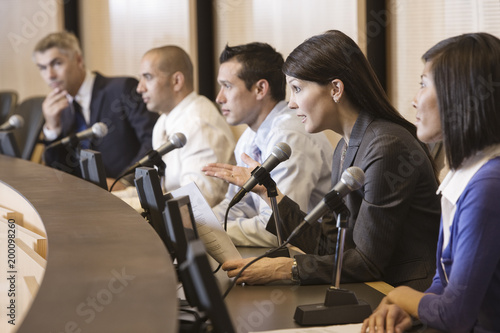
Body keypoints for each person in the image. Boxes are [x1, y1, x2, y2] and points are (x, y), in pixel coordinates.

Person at [221, 30, 441, 291]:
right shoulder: (344, 147)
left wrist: (285, 268)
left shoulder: (387, 146)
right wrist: (270, 193)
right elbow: (329, 246)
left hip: (401, 296)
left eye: (297, 89)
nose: (290, 103)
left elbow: (368, 261)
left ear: (335, 89)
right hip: (371, 289)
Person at [362, 32, 500, 333]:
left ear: (458, 94)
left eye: (424, 84)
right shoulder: (463, 172)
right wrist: (414, 309)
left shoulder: (489, 184)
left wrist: (399, 295)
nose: (414, 100)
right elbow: (444, 281)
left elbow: (455, 314)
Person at [202, 42, 334, 247]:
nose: (219, 98)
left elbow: (280, 230)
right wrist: (199, 223)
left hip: (315, 255)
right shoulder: (249, 137)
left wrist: (207, 230)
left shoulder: (289, 137)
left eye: (227, 86)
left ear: (260, 88)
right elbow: (237, 206)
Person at [33, 31, 158, 182]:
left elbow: (153, 140)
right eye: (42, 68)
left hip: (129, 195)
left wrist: (126, 182)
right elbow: (59, 171)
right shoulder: (60, 109)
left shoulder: (122, 89)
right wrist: (53, 129)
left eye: (57, 63)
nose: (50, 75)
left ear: (79, 60)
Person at [136, 45, 235, 207]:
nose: (140, 88)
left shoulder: (199, 123)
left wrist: (131, 205)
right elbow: (160, 191)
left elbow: (196, 201)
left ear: (176, 81)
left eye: (148, 77)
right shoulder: (164, 120)